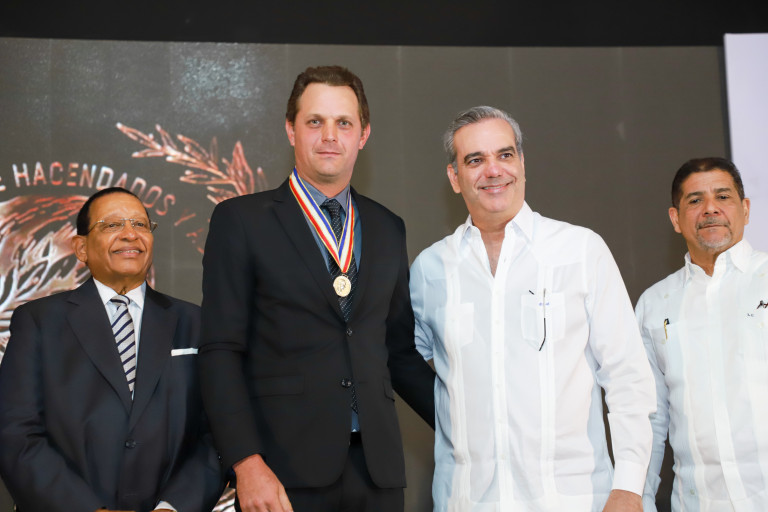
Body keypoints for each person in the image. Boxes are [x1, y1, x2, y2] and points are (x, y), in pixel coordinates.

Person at [199, 65, 436, 512]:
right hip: (282, 472)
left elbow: (399, 353)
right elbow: (220, 351)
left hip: (378, 473)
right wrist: (246, 463)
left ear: (363, 134)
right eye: (315, 121)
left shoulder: (388, 227)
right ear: (291, 130)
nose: (330, 136)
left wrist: (467, 425)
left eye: (344, 123)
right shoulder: (241, 221)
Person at [410, 106, 656, 511]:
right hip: (466, 502)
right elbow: (408, 363)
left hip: (574, 502)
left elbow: (628, 377)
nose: (493, 170)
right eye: (475, 160)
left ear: (522, 163)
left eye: (505, 155)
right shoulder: (430, 270)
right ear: (454, 177)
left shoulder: (580, 251)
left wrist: (629, 488)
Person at [0, 187, 222, 512]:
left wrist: (172, 507)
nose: (130, 234)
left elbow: (217, 434)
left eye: (141, 224)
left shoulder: (196, 322)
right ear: (81, 248)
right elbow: (16, 433)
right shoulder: (39, 322)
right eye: (112, 225)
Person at [636, 157, 768, 511]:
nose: (710, 208)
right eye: (695, 200)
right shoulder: (654, 304)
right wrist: (641, 497)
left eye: (722, 197)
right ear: (675, 219)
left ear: (745, 209)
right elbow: (651, 418)